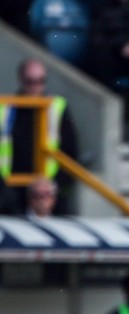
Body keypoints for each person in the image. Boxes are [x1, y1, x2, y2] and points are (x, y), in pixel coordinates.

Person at [0, 59, 78, 212]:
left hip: (48, 194)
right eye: (30, 81)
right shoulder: (6, 108)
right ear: (20, 80)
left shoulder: (56, 107)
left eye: (40, 81)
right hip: (11, 192)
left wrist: (54, 188)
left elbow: (70, 153)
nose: (35, 87)